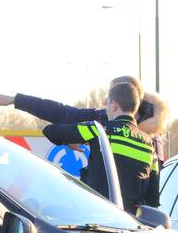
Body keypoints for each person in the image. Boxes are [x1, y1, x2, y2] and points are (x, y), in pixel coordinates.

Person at [42, 81, 159, 214]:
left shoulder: (99, 130)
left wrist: (68, 142)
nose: (106, 108)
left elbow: (51, 131)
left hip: (98, 220)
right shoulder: (150, 146)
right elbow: (153, 199)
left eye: (107, 103)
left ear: (114, 104)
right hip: (131, 224)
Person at [0, 75, 142, 125]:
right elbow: (62, 113)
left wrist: (68, 136)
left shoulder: (151, 141)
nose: (104, 102)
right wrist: (15, 100)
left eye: (109, 98)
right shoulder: (102, 118)